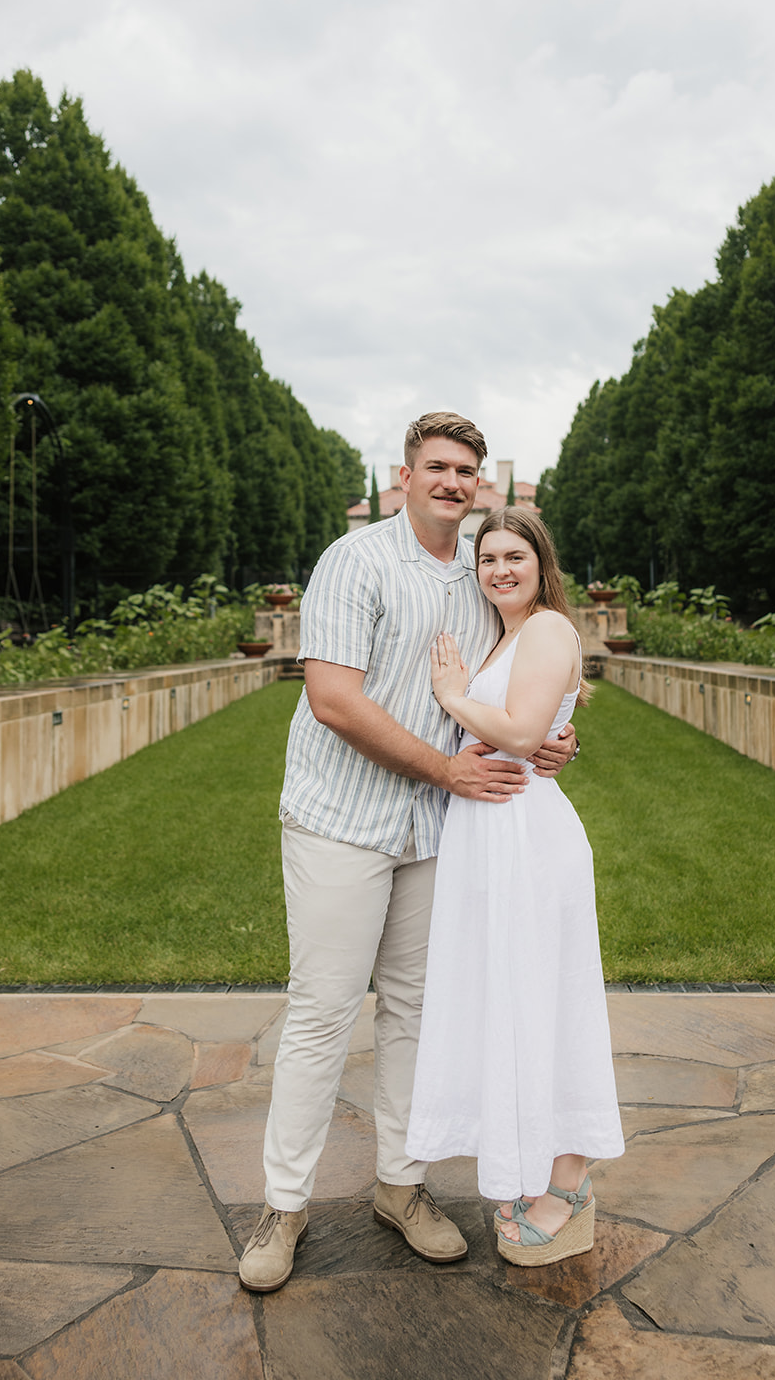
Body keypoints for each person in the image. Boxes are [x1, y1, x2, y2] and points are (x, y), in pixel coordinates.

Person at [237, 412, 577, 1293]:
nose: (453, 483)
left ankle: (402, 1186)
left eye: (466, 470)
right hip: (342, 818)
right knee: (320, 1014)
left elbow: (511, 686)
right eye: (437, 467)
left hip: (432, 826)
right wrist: (451, 772)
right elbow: (333, 702)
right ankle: (284, 1206)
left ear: (479, 483)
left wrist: (545, 741)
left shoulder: (477, 573)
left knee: (415, 1013)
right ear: (406, 473)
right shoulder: (353, 562)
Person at [406, 506, 625, 1266]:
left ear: (541, 563)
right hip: (491, 837)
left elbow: (527, 736)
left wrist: (453, 697)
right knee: (513, 1001)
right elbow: (539, 726)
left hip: (528, 839)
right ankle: (537, 1169)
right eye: (488, 557)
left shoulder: (548, 629)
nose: (500, 568)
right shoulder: (507, 635)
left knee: (548, 1000)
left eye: (514, 556)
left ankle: (567, 1184)